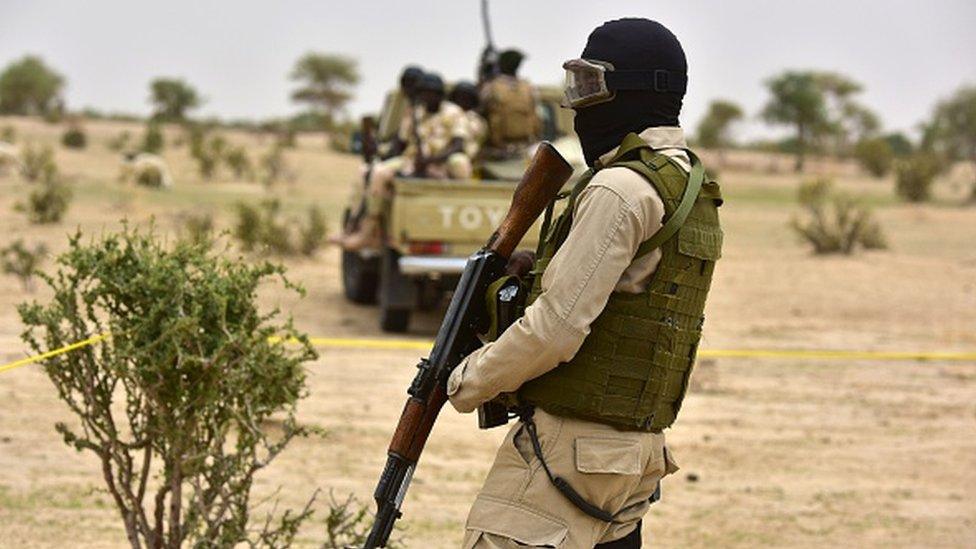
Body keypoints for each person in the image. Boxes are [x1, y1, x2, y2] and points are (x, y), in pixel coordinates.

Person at [447, 18, 724, 548]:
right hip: (634, 454)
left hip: (571, 451)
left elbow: (555, 329)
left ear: (633, 90)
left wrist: (461, 381)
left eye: (590, 85)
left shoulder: (621, 187)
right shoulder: (690, 180)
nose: (578, 104)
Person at [339, 72, 471, 250]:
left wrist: (431, 160)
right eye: (424, 93)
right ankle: (369, 229)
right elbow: (400, 144)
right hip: (411, 160)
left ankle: (460, 204)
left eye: (431, 93)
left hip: (442, 161)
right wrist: (379, 152)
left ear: (440, 95)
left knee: (460, 162)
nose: (427, 97)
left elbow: (458, 145)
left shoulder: (454, 113)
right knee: (379, 172)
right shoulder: (415, 113)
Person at [479, 48, 541, 158]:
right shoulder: (529, 88)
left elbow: (479, 107)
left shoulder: (491, 87)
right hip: (500, 150)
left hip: (523, 149)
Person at [449, 81, 488, 175]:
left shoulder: (478, 121)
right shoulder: (448, 115)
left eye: (467, 98)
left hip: (471, 161)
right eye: (460, 97)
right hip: (449, 159)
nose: (463, 101)